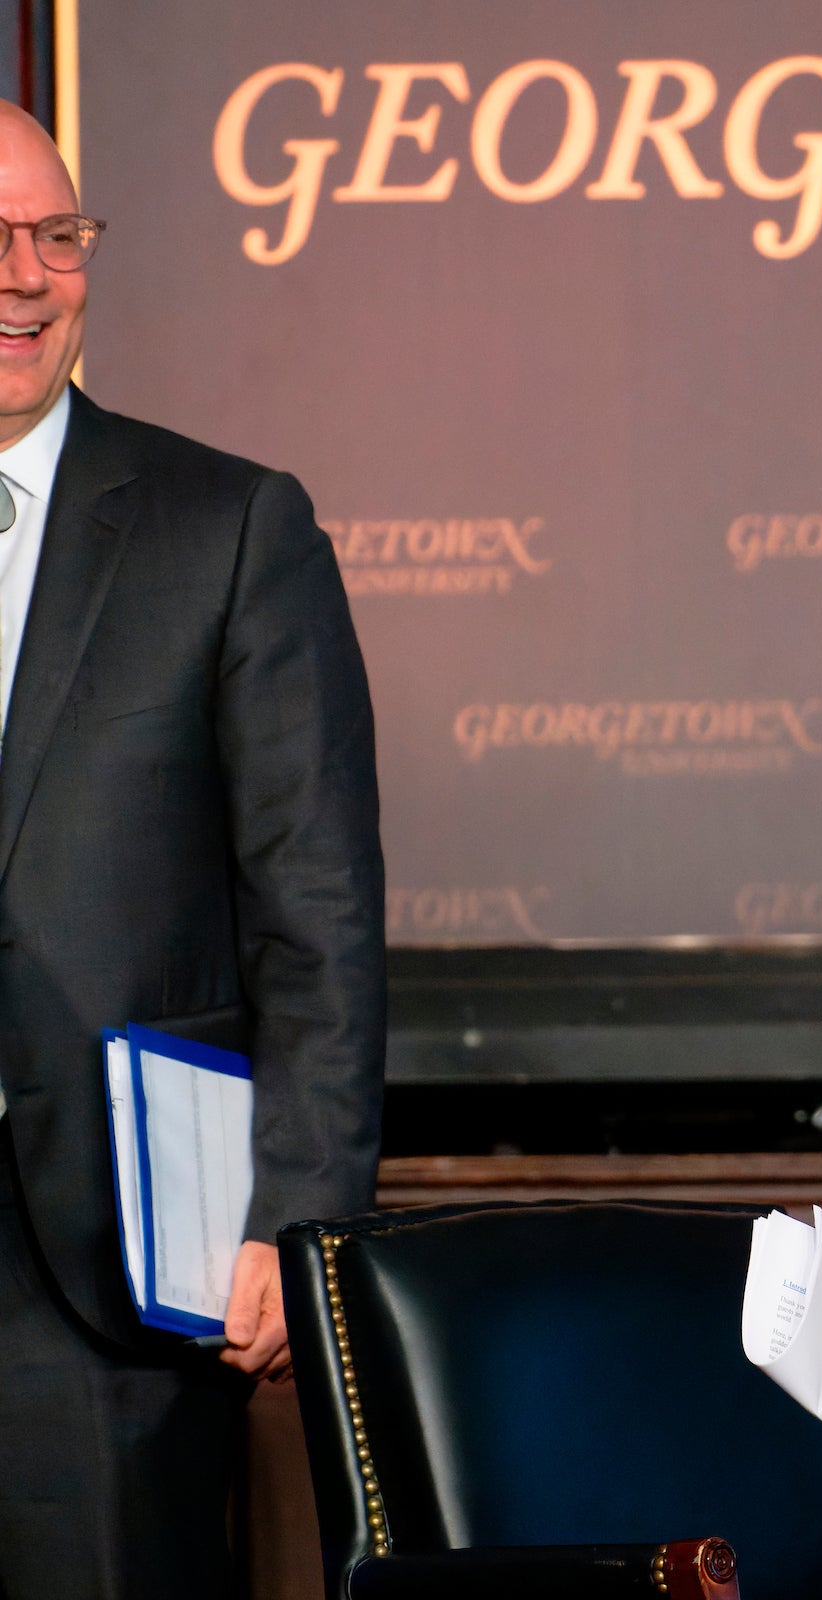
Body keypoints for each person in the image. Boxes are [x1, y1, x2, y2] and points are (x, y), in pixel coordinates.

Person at [0, 104, 384, 1598]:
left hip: (103, 1285)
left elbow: (320, 913)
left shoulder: (225, 528)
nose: (28, 277)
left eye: (58, 236)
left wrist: (290, 1217)